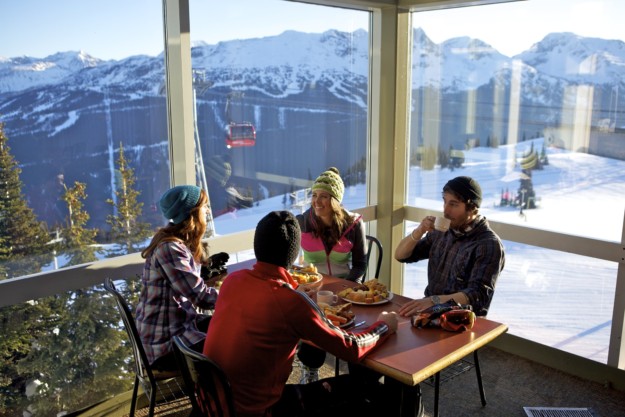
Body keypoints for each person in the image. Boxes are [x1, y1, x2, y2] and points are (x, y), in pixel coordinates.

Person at [203, 211, 398, 417]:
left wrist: (297, 297)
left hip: (214, 403)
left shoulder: (232, 282)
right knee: (370, 390)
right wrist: (384, 325)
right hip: (260, 411)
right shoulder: (290, 302)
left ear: (257, 245)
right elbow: (351, 348)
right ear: (294, 253)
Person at [135, 185, 219, 372]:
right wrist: (236, 296)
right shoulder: (170, 249)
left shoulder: (173, 241)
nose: (207, 210)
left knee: (226, 324)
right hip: (164, 345)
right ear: (193, 213)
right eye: (204, 206)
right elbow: (201, 298)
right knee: (228, 344)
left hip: (176, 326)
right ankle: (219, 397)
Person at [395, 176, 505, 318]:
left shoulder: (488, 244)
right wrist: (419, 230)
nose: (446, 211)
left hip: (461, 322)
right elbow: (401, 256)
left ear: (472, 208)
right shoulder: (443, 232)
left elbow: (478, 295)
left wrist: (433, 301)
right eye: (445, 202)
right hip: (429, 314)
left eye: (453, 204)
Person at [296, 167, 367, 383]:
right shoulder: (302, 222)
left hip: (344, 290)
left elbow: (360, 264)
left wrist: (346, 286)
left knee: (351, 325)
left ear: (335, 200)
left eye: (324, 196)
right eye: (315, 195)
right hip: (312, 289)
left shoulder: (353, 224)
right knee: (310, 320)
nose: (317, 201)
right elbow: (291, 261)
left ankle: (360, 379)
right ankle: (310, 369)